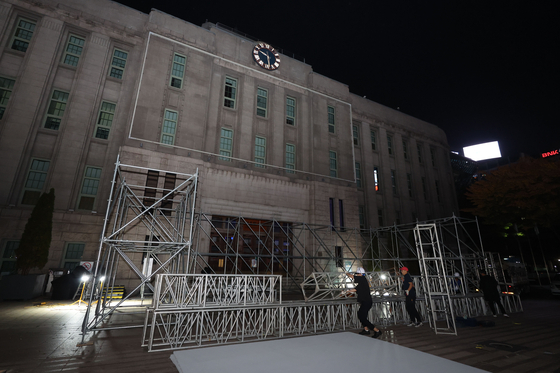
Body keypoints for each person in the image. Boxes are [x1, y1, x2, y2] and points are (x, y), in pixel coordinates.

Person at [345, 267, 382, 338]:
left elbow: (352, 276)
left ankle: (376, 330)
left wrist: (347, 273)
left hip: (366, 302)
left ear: (359, 274)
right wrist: (347, 291)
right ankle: (366, 330)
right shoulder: (362, 282)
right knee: (361, 315)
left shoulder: (362, 279)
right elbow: (356, 289)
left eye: (357, 274)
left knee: (362, 317)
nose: (356, 275)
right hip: (366, 302)